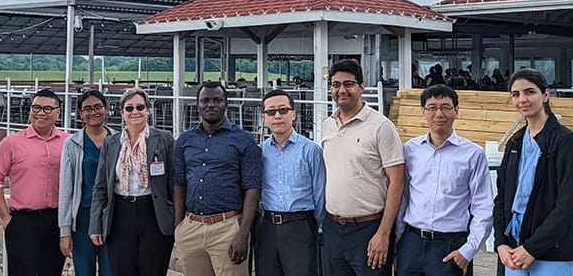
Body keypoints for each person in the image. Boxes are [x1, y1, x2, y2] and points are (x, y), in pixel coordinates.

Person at [493, 69, 573, 275]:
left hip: (552, 254)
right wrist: (501, 243)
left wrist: (532, 248)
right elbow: (501, 199)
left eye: (529, 92)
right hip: (514, 253)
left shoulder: (565, 141)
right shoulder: (514, 143)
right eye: (515, 94)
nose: (522, 99)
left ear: (545, 95)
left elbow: (568, 204)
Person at [395, 85, 493, 275]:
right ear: (423, 112)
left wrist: (468, 251)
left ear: (456, 111)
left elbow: (483, 207)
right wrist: (398, 243)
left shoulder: (473, 154)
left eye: (445, 107)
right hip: (411, 243)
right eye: (432, 107)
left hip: (450, 246)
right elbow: (403, 198)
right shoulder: (410, 149)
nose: (439, 113)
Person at [321, 59, 404, 276]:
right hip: (333, 227)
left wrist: (384, 233)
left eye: (348, 84)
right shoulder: (328, 125)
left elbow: (397, 180)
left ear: (361, 87)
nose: (341, 90)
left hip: (369, 229)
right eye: (336, 84)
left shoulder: (381, 127)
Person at [173, 81, 262, 276]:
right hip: (191, 227)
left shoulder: (243, 140)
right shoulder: (185, 140)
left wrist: (243, 233)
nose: (211, 105)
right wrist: (179, 227)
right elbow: (179, 183)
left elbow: (253, 188)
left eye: (217, 100)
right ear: (197, 104)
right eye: (205, 100)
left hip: (227, 228)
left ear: (226, 104)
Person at [89, 88, 175, 276]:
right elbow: (101, 187)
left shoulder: (164, 139)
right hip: (120, 214)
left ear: (148, 110)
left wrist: (176, 218)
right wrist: (95, 224)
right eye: (129, 108)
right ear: (122, 113)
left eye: (140, 107)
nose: (135, 112)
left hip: (153, 213)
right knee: (122, 269)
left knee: (153, 269)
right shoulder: (110, 143)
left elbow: (174, 182)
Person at [0, 88, 69, 276]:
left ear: (58, 112)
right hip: (23, 221)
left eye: (47, 109)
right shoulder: (11, 143)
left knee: (52, 271)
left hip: (57, 221)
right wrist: (5, 217)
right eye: (36, 107)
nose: (40, 113)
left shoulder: (69, 142)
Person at [255, 89, 326, 276]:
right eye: (271, 112)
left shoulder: (311, 151)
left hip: (300, 227)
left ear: (293, 114)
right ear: (264, 118)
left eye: (283, 110)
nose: (277, 116)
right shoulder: (259, 152)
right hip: (267, 228)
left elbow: (320, 195)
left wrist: (311, 226)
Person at [59, 90, 116, 276]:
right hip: (82, 216)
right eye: (87, 109)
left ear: (106, 109)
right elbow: (66, 188)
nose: (94, 112)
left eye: (98, 107)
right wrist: (65, 231)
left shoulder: (119, 140)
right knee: (84, 271)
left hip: (113, 215)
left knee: (112, 270)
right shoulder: (72, 143)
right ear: (81, 114)